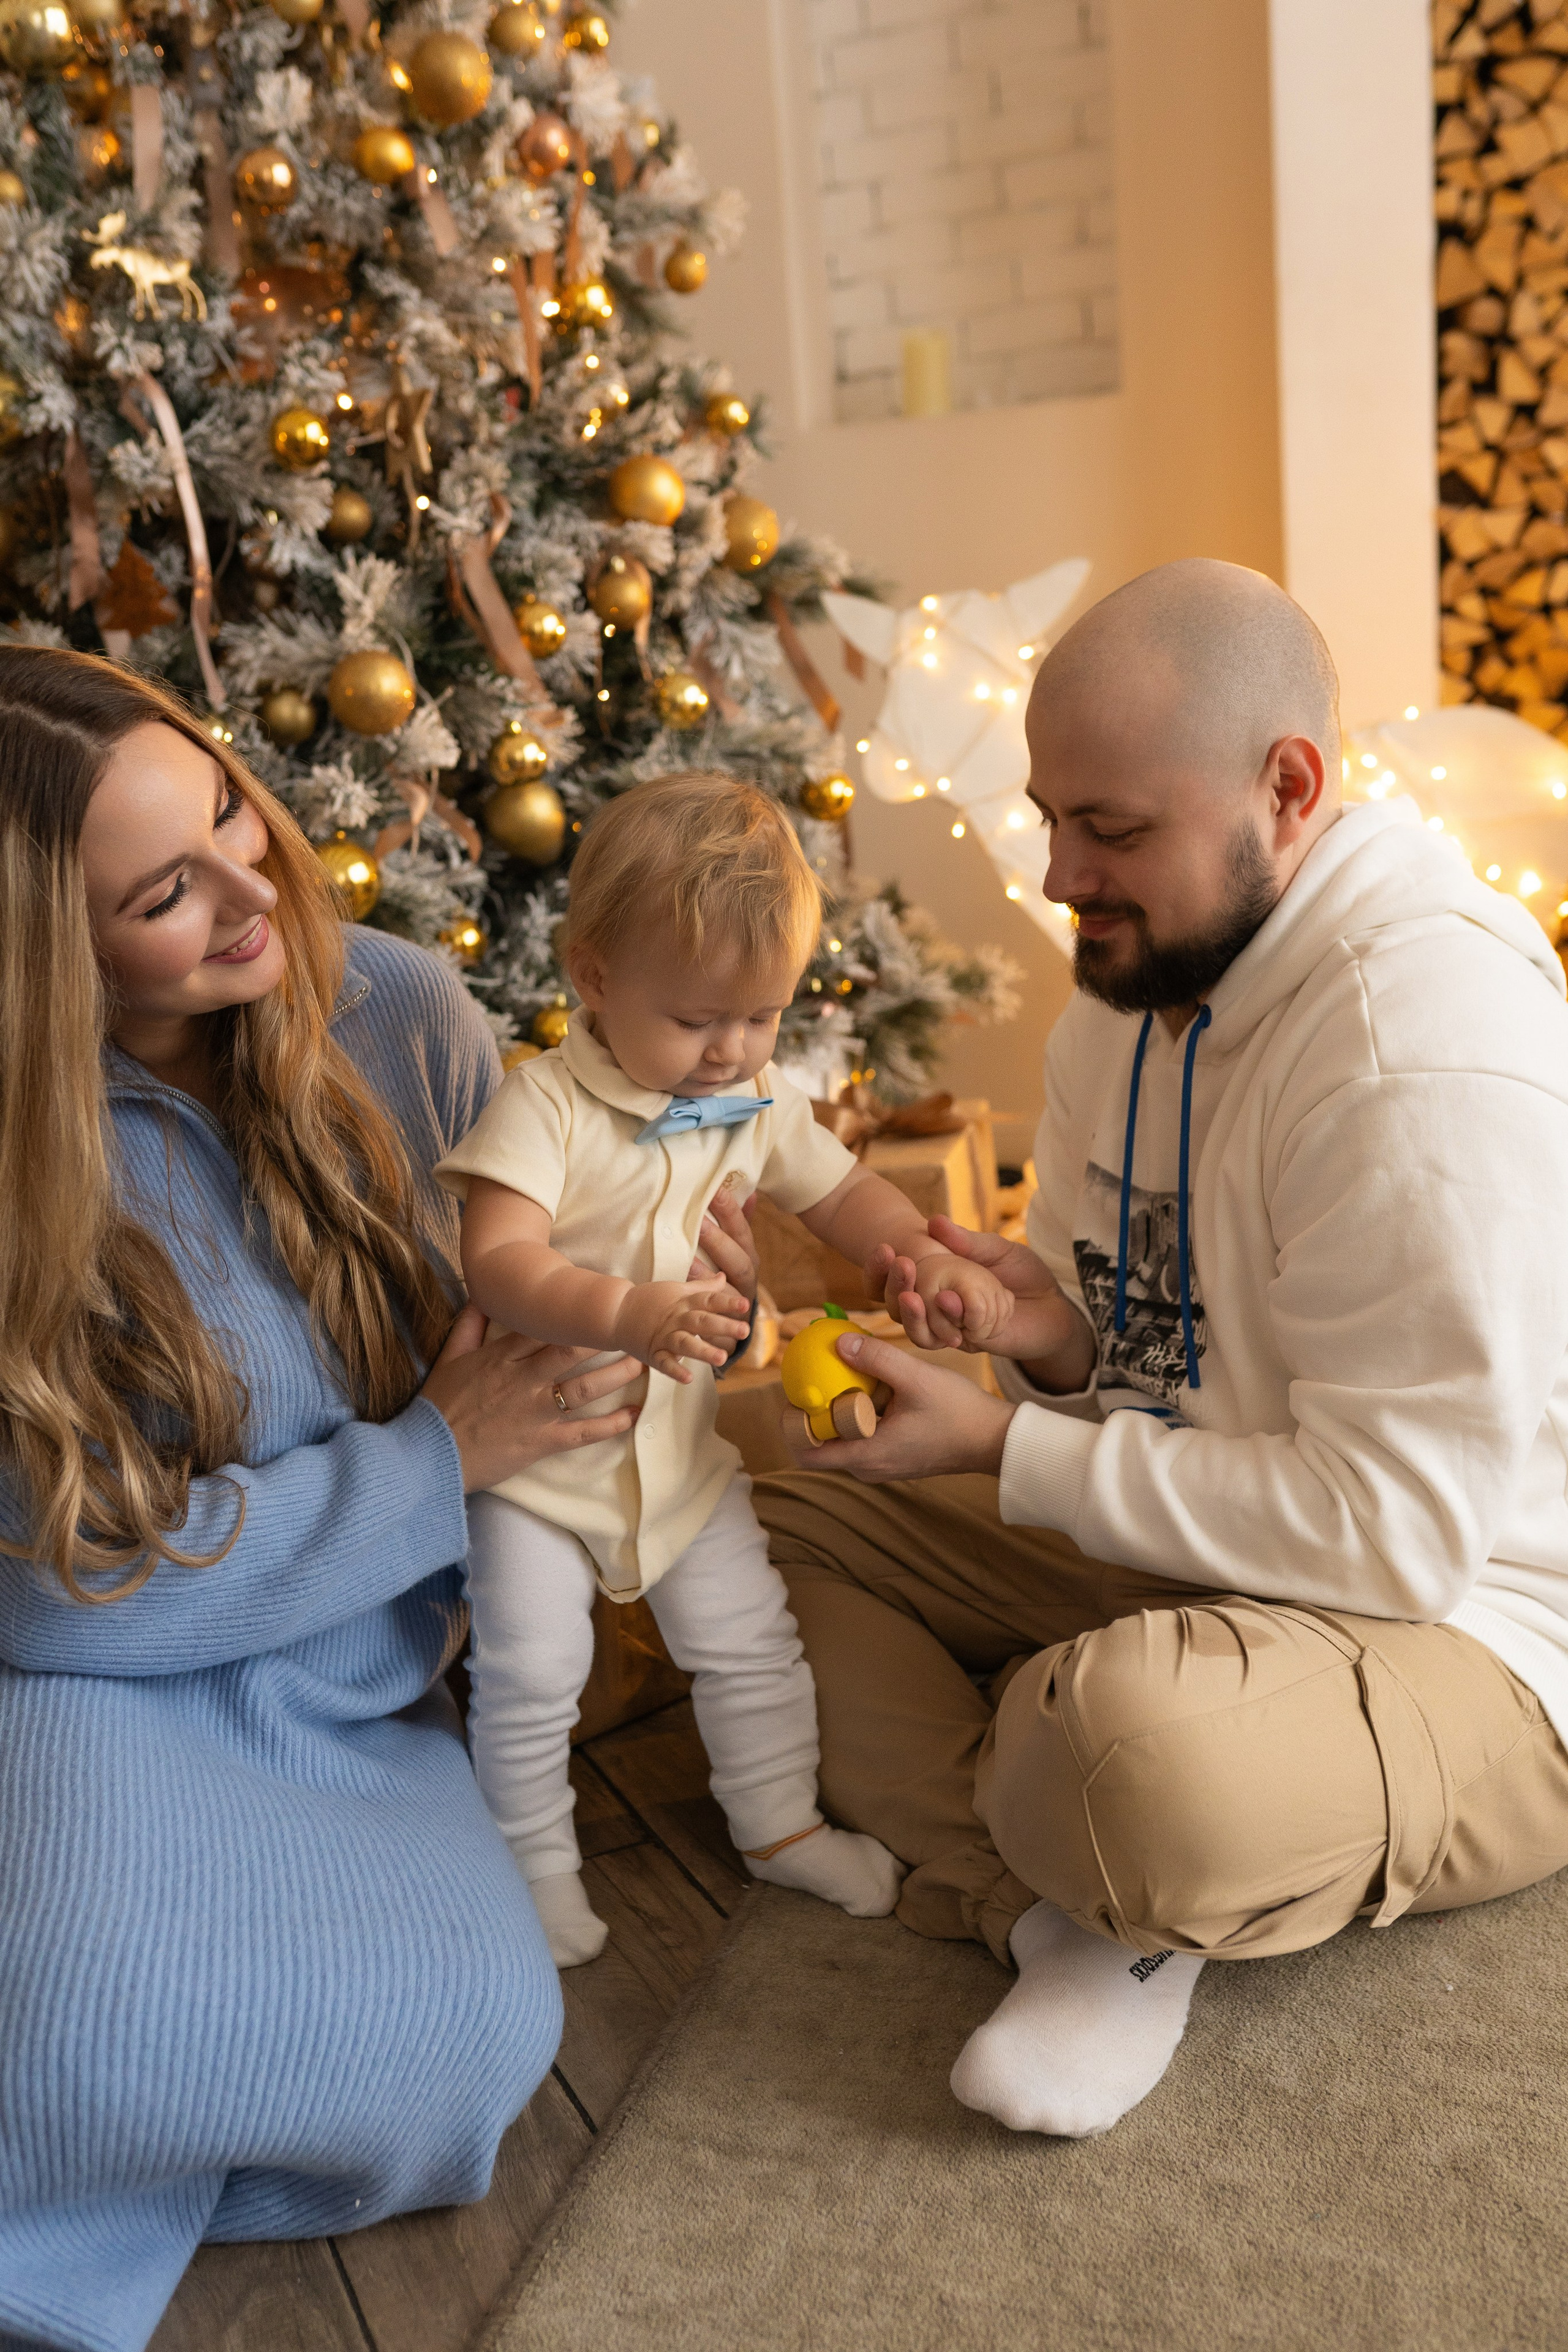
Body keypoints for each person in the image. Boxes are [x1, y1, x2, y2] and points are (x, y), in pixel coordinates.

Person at [752, 559, 1568, 2141]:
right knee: (742, 1509)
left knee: (1122, 1752)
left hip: (1480, 1620)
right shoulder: (1122, 1004)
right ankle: (1069, 1911)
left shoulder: (1418, 1050)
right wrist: (1041, 1341)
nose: (1061, 875)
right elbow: (1128, 1362)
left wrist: (1010, 1448)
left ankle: (1104, 1820)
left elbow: (1390, 1537)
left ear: (1291, 787)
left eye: (1112, 830)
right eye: (1054, 815)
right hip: (1219, 1551)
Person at [0, 650, 751, 2352]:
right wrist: (427, 1463)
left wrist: (669, 1281)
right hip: (95, 1687)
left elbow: (556, 1330)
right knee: (80, 2040)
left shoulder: (403, 1015)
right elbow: (53, 1594)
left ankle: (128, 2157)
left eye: (227, 816)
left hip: (365, 1692)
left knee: (474, 2067)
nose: (254, 888)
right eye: (167, 893)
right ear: (45, 958)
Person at [432, 772, 1012, 1967]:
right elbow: (494, 1260)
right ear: (592, 977)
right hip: (537, 1463)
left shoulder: (744, 1094)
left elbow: (840, 1189)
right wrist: (625, 1310)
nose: (732, 1051)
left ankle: (779, 1825)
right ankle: (530, 1863)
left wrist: (911, 1257)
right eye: (699, 1019)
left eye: (762, 1017)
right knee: (534, 1668)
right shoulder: (542, 1106)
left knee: (751, 1639)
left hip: (678, 1461)